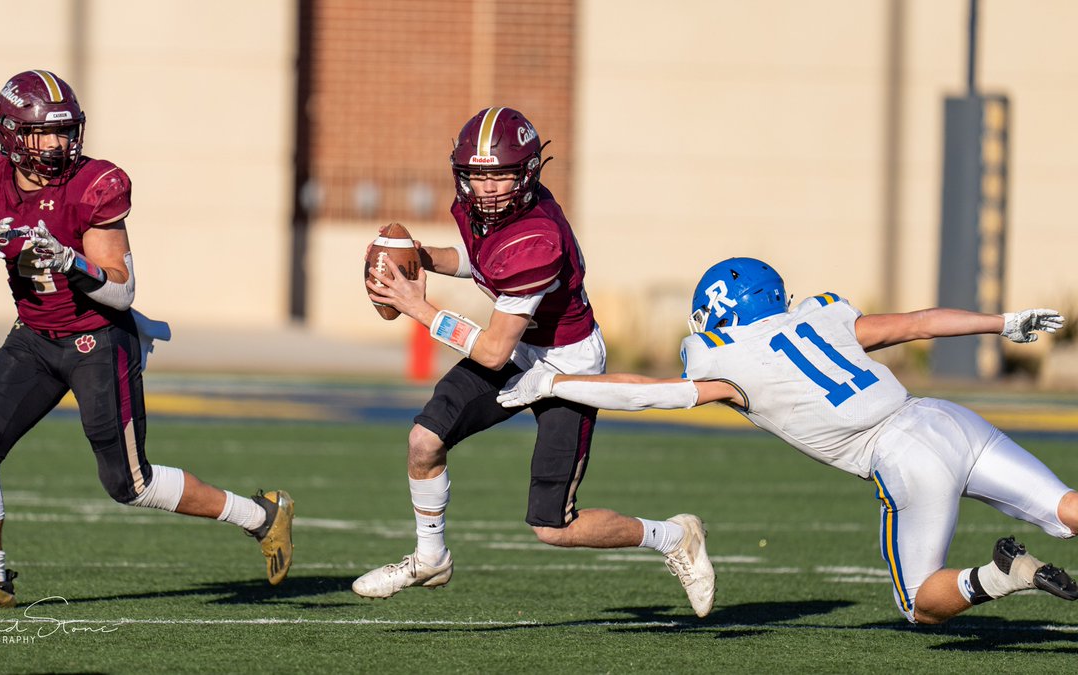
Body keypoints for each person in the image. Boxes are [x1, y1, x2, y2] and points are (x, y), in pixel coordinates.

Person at [497, 256, 1078, 624]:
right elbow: (919, 322)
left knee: (922, 604)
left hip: (902, 455)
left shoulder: (726, 363)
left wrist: (557, 382)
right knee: (1066, 506)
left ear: (713, 314)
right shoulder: (820, 317)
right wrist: (1002, 323)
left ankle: (1007, 575)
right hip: (946, 417)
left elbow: (648, 392)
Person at [0, 70, 293, 610]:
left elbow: (121, 294)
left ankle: (260, 515)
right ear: (9, 134)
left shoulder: (93, 183)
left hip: (97, 340)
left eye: (64, 131)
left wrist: (70, 261)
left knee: (131, 483)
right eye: (42, 133)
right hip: (33, 337)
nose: (56, 144)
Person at [357, 106, 715, 617]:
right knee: (424, 441)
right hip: (521, 348)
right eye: (478, 176)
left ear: (526, 174)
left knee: (553, 525)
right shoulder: (484, 211)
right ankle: (430, 557)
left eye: (500, 174)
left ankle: (675, 537)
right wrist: (424, 257)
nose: (488, 189)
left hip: (564, 366)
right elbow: (483, 261)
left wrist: (418, 306)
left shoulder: (536, 239)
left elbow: (492, 350)